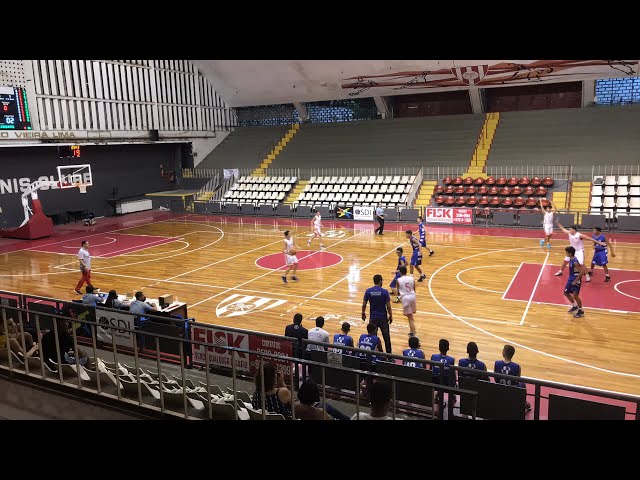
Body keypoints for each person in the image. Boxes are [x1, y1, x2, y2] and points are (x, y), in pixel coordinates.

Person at [494, 344, 531, 413]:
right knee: (522, 383)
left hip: (499, 390)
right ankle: (524, 404)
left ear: (504, 353)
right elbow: (517, 381)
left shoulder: (497, 363)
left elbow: (495, 379)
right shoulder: (517, 366)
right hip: (511, 392)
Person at [362, 274, 393, 353]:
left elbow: (364, 304)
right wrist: (391, 316)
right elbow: (388, 306)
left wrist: (363, 313)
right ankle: (389, 356)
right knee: (386, 338)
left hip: (373, 318)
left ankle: (373, 354)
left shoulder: (368, 291)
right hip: (383, 318)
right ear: (380, 281)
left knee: (372, 337)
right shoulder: (384, 292)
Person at [563, 246, 585, 318]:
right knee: (566, 292)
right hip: (571, 279)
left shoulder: (575, 262)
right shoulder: (571, 259)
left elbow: (582, 272)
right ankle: (574, 306)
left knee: (575, 296)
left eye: (566, 252)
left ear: (570, 253)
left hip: (576, 280)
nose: (565, 253)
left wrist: (575, 281)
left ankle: (581, 311)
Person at [396, 266, 417, 336]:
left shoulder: (398, 280)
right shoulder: (412, 278)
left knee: (410, 317)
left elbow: (398, 292)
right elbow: (414, 289)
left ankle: (415, 335)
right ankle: (411, 331)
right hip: (413, 296)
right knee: (410, 315)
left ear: (400, 272)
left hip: (405, 298)